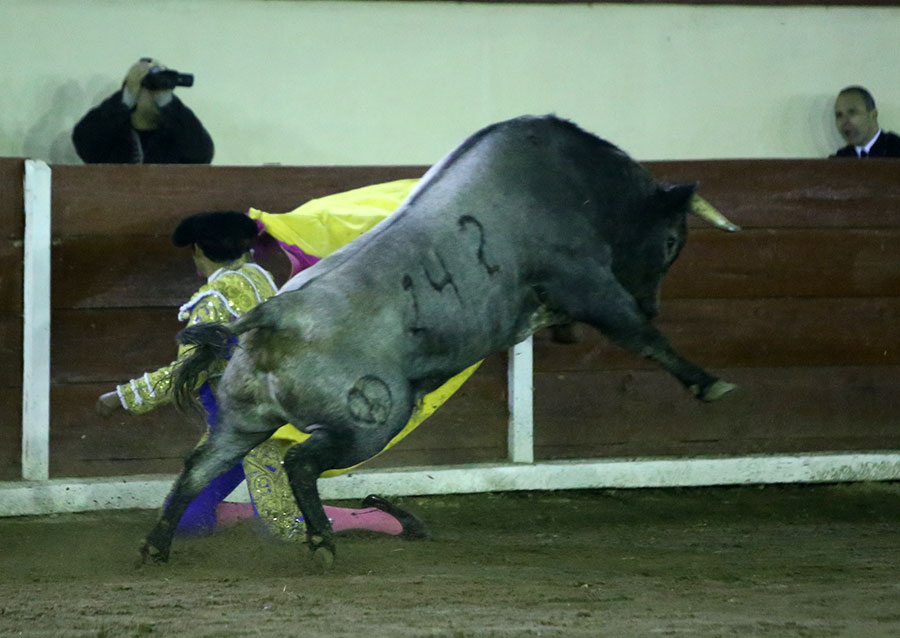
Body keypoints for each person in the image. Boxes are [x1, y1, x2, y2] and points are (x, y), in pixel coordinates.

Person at [96, 211, 425, 541]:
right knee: (189, 519)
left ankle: (380, 518)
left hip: (249, 423)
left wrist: (122, 397)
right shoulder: (258, 279)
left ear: (197, 250)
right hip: (250, 417)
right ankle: (249, 516)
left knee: (285, 524)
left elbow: (190, 371)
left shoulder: (213, 302)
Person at [73, 58, 214, 164]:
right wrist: (124, 100)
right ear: (133, 93)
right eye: (153, 86)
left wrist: (170, 105)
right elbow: (84, 141)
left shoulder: (177, 134)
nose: (159, 94)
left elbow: (202, 153)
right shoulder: (113, 135)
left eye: (165, 88)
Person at [831, 86, 900, 158]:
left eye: (852, 112)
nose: (844, 121)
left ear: (873, 115)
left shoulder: (896, 149)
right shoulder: (840, 159)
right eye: (839, 115)